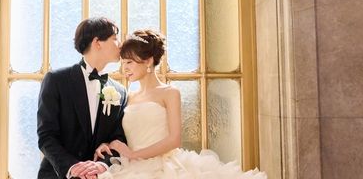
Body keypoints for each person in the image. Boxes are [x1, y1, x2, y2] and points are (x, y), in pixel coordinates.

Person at [94, 29, 267, 179]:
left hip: (165, 166)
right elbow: (120, 134)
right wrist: (107, 144)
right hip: (130, 165)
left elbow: (174, 140)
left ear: (148, 61)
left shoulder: (170, 93)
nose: (124, 68)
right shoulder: (128, 96)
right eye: (123, 62)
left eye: (129, 62)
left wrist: (134, 154)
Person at [37, 17, 128, 179]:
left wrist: (101, 165)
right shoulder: (57, 80)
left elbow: (118, 138)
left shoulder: (120, 91)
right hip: (59, 175)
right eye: (115, 38)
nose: (120, 44)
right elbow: (46, 135)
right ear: (97, 42)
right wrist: (73, 168)